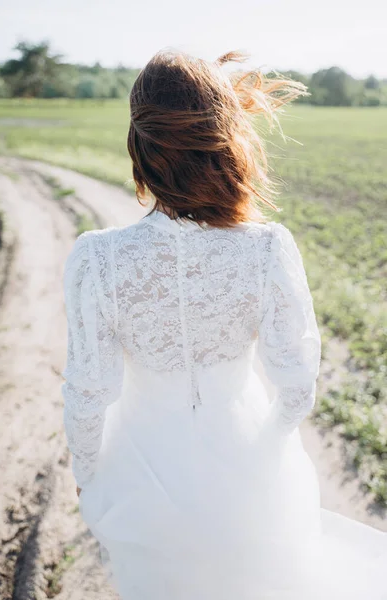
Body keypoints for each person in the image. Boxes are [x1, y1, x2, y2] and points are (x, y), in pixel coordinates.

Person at [61, 50, 386, 599]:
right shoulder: (266, 249)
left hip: (142, 475)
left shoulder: (98, 259)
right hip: (251, 466)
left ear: (140, 148)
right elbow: (296, 382)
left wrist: (91, 477)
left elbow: (89, 394)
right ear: (227, 140)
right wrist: (262, 455)